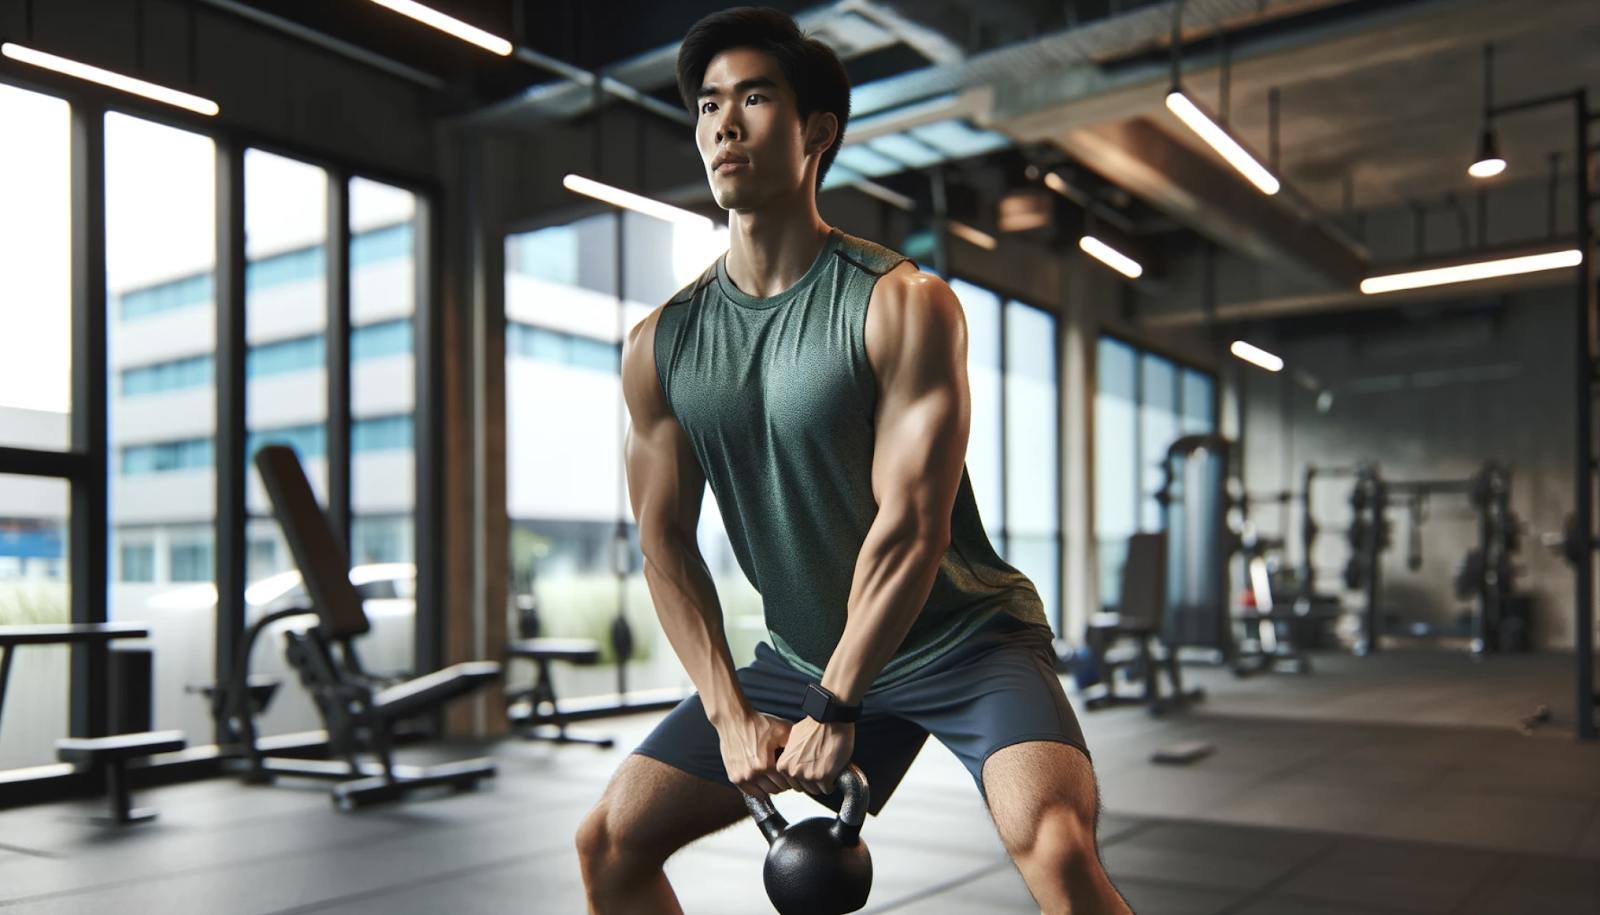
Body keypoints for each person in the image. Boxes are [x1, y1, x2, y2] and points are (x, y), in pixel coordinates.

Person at [576, 7, 1133, 914]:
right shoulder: (662, 344)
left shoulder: (902, 304)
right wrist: (728, 713)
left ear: (816, 132)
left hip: (961, 639)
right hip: (802, 653)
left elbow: (911, 528)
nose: (723, 122)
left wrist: (838, 706)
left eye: (754, 98)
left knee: (1058, 848)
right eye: (709, 103)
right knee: (609, 841)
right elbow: (663, 542)